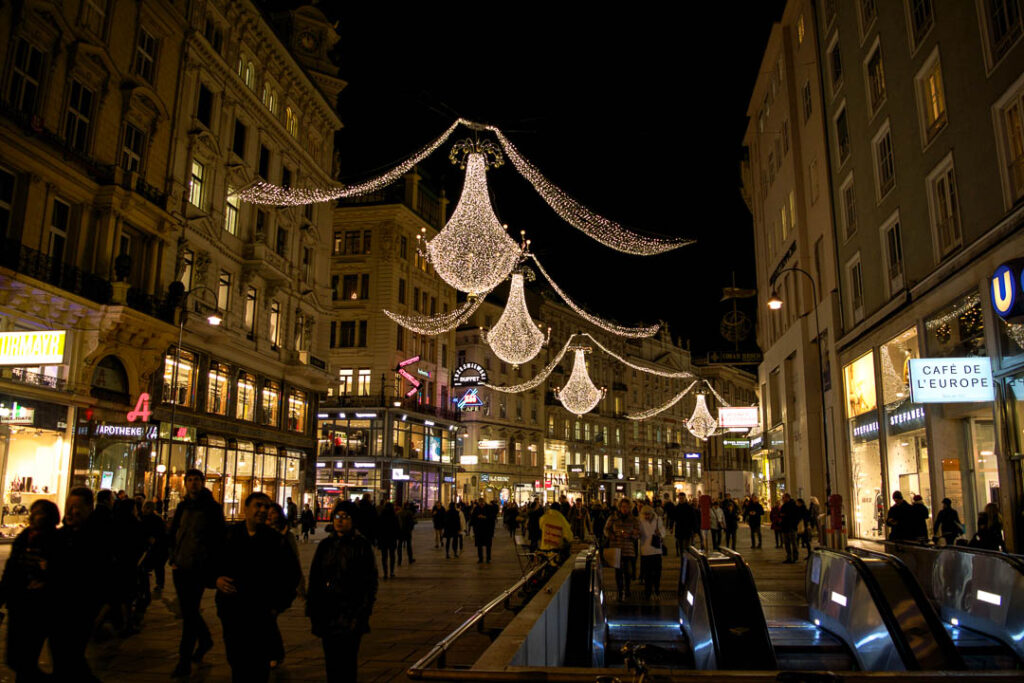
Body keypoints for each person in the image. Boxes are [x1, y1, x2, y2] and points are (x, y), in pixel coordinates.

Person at [214, 492, 300, 683]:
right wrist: (216, 580)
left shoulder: (275, 540)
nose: (263, 510)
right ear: (246, 509)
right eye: (258, 506)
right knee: (236, 661)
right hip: (232, 609)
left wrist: (277, 605)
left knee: (259, 666)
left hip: (261, 613)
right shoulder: (230, 535)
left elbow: (291, 575)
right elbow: (211, 562)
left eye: (266, 506)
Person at [308, 501, 378, 682]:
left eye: (346, 517)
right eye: (338, 516)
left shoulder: (362, 546)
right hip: (328, 612)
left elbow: (369, 582)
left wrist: (363, 611)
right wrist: (314, 611)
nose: (340, 521)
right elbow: (315, 578)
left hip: (351, 612)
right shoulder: (325, 545)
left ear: (354, 521)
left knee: (347, 662)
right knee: (331, 661)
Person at [168, 469, 225, 677]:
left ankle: (184, 661)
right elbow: (173, 533)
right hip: (180, 566)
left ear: (202, 483)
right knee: (188, 611)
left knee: (190, 614)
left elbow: (219, 540)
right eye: (190, 480)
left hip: (198, 568)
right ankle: (205, 640)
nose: (193, 484)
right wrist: (172, 558)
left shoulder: (212, 508)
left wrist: (212, 567)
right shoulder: (182, 506)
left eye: (196, 480)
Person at [50, 487, 110, 682]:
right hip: (58, 606)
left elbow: (102, 574)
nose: (71, 511)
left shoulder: (96, 537)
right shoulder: (59, 536)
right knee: (65, 657)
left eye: (76, 507)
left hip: (81, 607)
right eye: (69, 506)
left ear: (88, 508)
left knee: (69, 656)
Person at [0, 499, 60, 681]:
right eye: (33, 512)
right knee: (15, 659)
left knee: (25, 658)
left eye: (39, 512)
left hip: (38, 607)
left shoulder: (54, 541)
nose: (33, 516)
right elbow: (11, 570)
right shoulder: (24, 537)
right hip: (18, 603)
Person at [266, 502, 305, 669]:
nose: (269, 515)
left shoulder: (286, 535)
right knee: (266, 619)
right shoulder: (259, 532)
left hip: (279, 583)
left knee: (268, 618)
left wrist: (300, 585)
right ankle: (274, 652)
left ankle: (275, 652)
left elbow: (295, 560)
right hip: (262, 583)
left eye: (273, 512)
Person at [604, 499, 640, 601]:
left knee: (628, 571)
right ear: (620, 507)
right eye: (623, 506)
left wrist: (631, 534)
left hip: (628, 548)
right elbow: (606, 529)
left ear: (630, 508)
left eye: (627, 507)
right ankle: (620, 590)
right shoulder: (613, 518)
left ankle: (627, 589)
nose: (625, 509)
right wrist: (611, 535)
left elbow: (638, 534)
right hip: (616, 547)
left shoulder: (633, 520)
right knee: (618, 571)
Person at [638, 505, 667, 600]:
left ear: (652, 514)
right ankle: (648, 590)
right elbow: (638, 533)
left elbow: (663, 531)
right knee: (647, 573)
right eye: (645, 514)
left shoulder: (658, 520)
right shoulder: (640, 522)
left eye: (648, 514)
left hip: (656, 550)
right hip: (645, 550)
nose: (646, 516)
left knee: (657, 571)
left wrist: (661, 533)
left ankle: (657, 587)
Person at [376, 502, 400, 578]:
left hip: (383, 538)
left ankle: (385, 572)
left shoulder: (381, 516)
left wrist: (378, 538)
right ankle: (392, 571)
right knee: (392, 555)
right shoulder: (394, 516)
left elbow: (378, 528)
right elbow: (397, 528)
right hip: (392, 538)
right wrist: (397, 537)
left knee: (384, 556)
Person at [471, 499, 496, 563]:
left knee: (488, 545)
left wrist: (485, 517)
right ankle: (480, 558)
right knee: (479, 545)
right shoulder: (476, 509)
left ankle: (488, 558)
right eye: (480, 502)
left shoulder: (489, 508)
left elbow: (492, 518)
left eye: (482, 502)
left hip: (487, 530)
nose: (481, 504)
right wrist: (477, 517)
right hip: (479, 530)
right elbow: (473, 518)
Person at [780, 493, 799, 563]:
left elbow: (795, 516)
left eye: (783, 498)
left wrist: (786, 515)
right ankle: (789, 557)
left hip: (791, 527)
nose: (783, 499)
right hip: (785, 527)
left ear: (787, 498)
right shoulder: (784, 506)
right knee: (787, 543)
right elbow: (781, 513)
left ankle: (795, 557)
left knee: (794, 543)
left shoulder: (793, 505)